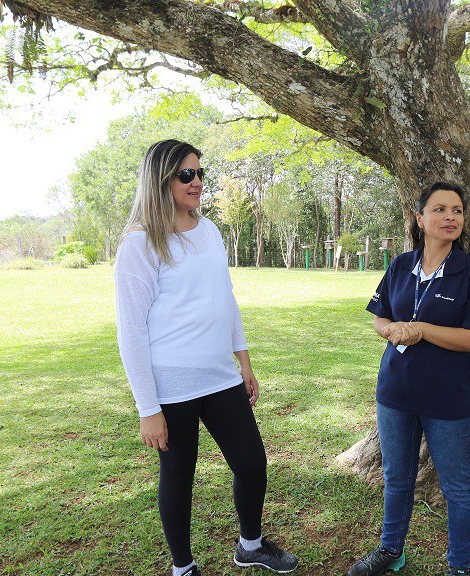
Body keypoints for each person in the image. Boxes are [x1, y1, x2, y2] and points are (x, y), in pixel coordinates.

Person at [115, 139, 298, 576]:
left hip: (220, 376)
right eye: (186, 175)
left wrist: (245, 361)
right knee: (179, 476)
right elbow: (131, 332)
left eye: (200, 174)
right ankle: (184, 568)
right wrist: (148, 409)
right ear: (161, 180)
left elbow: (225, 300)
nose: (197, 182)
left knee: (252, 462)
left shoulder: (211, 231)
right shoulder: (139, 244)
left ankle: (250, 545)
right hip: (172, 383)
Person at [349, 181, 470, 576]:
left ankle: (458, 568)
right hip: (395, 394)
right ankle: (390, 550)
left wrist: (420, 329)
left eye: (457, 210)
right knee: (397, 478)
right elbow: (381, 315)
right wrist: (390, 331)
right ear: (420, 219)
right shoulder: (401, 265)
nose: (450, 217)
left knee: (458, 489)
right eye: (439, 209)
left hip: (448, 402)